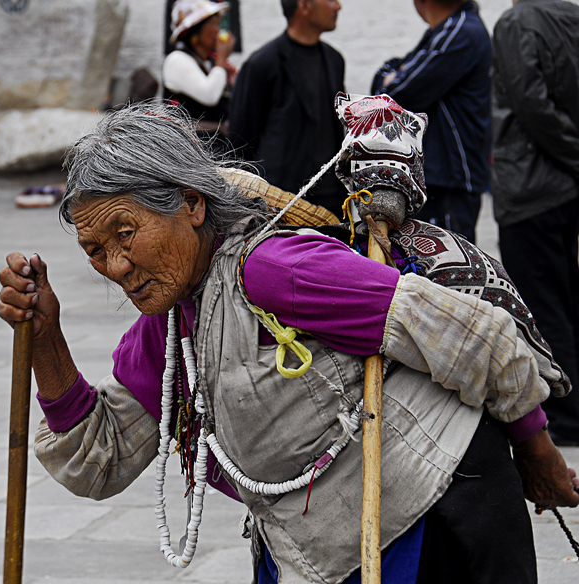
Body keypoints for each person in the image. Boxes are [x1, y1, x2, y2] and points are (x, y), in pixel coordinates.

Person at [0, 102, 579, 583]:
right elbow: (99, 460)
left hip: (435, 512)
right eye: (95, 250)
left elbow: (477, 336)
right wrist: (45, 338)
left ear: (192, 204)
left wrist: (536, 451)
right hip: (314, 551)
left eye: (126, 233)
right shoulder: (167, 331)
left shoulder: (275, 271)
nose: (117, 265)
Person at [491, 0, 579, 446]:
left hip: (530, 187)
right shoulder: (572, 17)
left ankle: (566, 416)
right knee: (566, 298)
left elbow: (530, 105)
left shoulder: (514, 23)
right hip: (567, 189)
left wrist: (574, 152)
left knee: (540, 307)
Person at [371, 0, 490, 244]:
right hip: (447, 177)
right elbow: (393, 79)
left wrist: (393, 75)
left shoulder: (460, 32)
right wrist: (392, 74)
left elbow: (396, 94)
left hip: (450, 178)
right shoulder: (448, 30)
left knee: (444, 261)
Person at [228, 0, 345, 217]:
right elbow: (240, 142)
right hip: (283, 202)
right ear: (304, 6)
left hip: (334, 199)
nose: (338, 6)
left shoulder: (334, 60)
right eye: (330, 0)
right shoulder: (262, 65)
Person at [163, 0, 235, 141]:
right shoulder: (177, 60)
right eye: (213, 24)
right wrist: (221, 60)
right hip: (187, 147)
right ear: (195, 32)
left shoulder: (208, 62)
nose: (218, 30)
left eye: (218, 23)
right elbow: (210, 95)